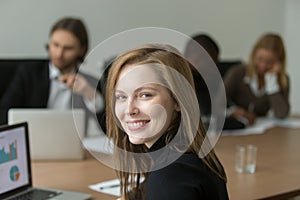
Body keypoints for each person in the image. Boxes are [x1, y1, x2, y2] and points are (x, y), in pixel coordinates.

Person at [105, 44, 229, 200]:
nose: (129, 109)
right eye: (121, 96)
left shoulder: (170, 176)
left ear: (177, 100)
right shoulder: (191, 157)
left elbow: (169, 184)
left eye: (145, 95)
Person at [0, 17, 103, 133]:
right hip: (33, 140)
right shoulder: (28, 73)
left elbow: (107, 126)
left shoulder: (89, 82)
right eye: (55, 45)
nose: (59, 54)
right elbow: (4, 112)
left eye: (68, 48)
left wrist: (88, 92)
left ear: (81, 49)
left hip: (71, 144)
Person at [184, 33, 246, 129]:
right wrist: (236, 119)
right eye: (210, 62)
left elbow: (211, 110)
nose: (214, 68)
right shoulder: (178, 80)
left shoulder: (202, 76)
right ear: (196, 58)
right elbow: (204, 122)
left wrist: (233, 111)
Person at [224, 33, 290, 123]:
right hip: (236, 127)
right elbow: (216, 103)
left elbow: (281, 114)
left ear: (279, 62)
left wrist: (272, 83)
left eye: (270, 62)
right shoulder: (238, 73)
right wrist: (232, 111)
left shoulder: (282, 80)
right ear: (253, 55)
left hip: (261, 131)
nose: (263, 66)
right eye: (260, 59)